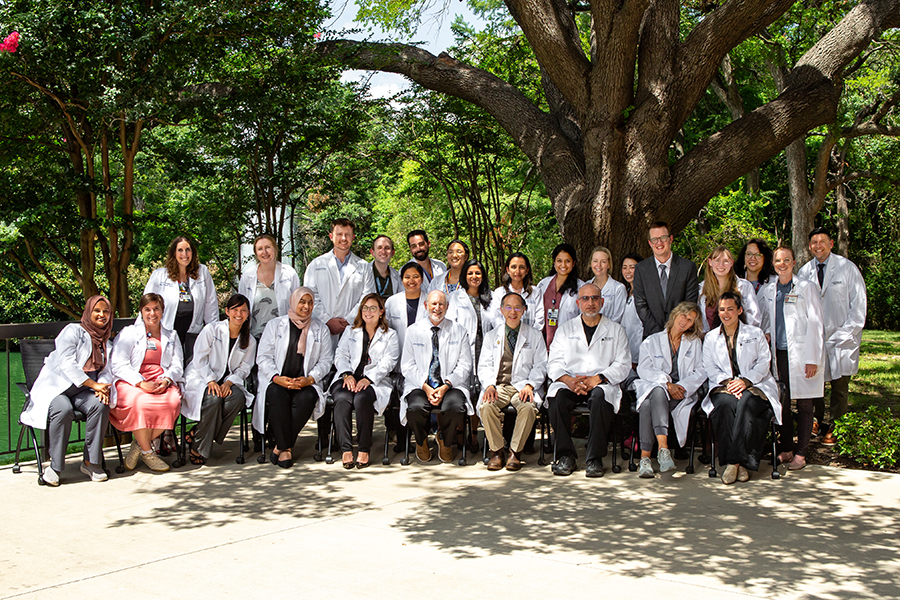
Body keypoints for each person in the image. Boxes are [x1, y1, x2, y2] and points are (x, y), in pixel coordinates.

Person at [20, 296, 114, 485]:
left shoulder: (106, 342)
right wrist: (94, 385)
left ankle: (91, 462)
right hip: (58, 388)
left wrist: (102, 387)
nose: (101, 315)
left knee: (101, 405)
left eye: (106, 311)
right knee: (63, 410)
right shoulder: (72, 331)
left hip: (83, 391)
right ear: (88, 312)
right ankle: (55, 467)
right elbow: (67, 364)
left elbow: (108, 370)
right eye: (97, 310)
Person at [547, 283, 631, 477]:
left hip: (601, 381)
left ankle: (594, 458)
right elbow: (554, 362)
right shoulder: (565, 329)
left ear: (602, 302)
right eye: (585, 298)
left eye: (595, 298)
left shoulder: (616, 330)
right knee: (557, 398)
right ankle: (566, 456)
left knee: (600, 398)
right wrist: (568, 380)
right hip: (571, 380)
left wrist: (599, 378)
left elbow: (623, 364)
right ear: (578, 303)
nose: (590, 303)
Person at [701, 293, 780, 485]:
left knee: (746, 402)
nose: (725, 313)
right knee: (725, 405)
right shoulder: (711, 338)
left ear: (739, 310)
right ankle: (741, 465)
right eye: (722, 309)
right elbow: (709, 367)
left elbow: (764, 362)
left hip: (755, 384)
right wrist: (728, 382)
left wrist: (745, 381)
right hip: (724, 386)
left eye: (730, 309)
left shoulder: (755, 333)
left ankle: (732, 462)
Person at [797, 227, 867, 445]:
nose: (818, 246)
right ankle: (817, 421)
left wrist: (845, 333)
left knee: (839, 386)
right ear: (809, 246)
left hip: (842, 337)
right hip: (815, 339)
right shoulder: (804, 271)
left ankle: (836, 425)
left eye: (822, 241)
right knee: (814, 383)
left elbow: (859, 305)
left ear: (831, 244)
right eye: (814, 243)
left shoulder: (847, 268)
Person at [758, 247, 825, 470]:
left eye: (787, 260)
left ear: (794, 262)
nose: (783, 264)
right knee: (782, 403)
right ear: (773, 263)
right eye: (778, 260)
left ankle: (801, 453)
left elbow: (816, 323)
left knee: (805, 404)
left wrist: (812, 359)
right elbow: (763, 319)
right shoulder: (768, 290)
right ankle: (786, 449)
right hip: (778, 355)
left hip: (803, 355)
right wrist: (767, 333)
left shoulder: (806, 288)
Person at [254, 288, 333, 468]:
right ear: (293, 302)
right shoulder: (275, 325)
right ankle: (286, 448)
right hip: (278, 380)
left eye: (310, 302)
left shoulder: (321, 329)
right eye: (302, 302)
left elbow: (326, 360)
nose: (306, 306)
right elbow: (263, 357)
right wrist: (276, 377)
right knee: (276, 394)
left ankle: (280, 446)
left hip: (304, 382)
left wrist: (311, 379)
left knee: (308, 397)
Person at [109, 293, 184, 473]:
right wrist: (141, 383)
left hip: (160, 382)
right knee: (140, 403)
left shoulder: (171, 335)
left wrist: (166, 380)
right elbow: (118, 364)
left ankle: (139, 446)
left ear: (163, 311)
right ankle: (148, 452)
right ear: (141, 311)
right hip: (132, 382)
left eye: (156, 309)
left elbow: (178, 364)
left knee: (173, 403)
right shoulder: (129, 333)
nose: (152, 313)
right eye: (147, 309)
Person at [633, 302, 706, 478]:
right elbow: (643, 369)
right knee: (656, 394)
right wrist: (666, 384)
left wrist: (681, 387)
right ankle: (663, 449)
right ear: (675, 315)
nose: (685, 321)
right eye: (683, 316)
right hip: (659, 390)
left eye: (690, 320)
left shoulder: (694, 342)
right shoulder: (652, 341)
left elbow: (701, 370)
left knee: (647, 405)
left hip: (681, 394)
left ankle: (645, 459)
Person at [182, 294, 257, 465]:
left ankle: (197, 434)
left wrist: (229, 382)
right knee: (214, 398)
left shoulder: (249, 340)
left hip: (228, 381)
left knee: (238, 398)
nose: (239, 314)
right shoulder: (212, 330)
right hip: (202, 377)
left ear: (248, 314)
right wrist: (211, 381)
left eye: (243, 310)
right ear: (227, 312)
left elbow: (245, 368)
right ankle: (198, 448)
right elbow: (199, 358)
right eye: (235, 310)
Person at [477, 292, 547, 471]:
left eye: (517, 307)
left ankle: (515, 452)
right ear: (501, 310)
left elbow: (541, 365)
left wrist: (530, 385)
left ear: (524, 310)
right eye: (508, 307)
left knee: (528, 407)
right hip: (498, 386)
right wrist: (489, 385)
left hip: (522, 385)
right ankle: (497, 451)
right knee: (486, 406)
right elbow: (483, 365)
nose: (513, 312)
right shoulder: (492, 336)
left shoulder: (534, 335)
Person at [400, 290, 473, 463]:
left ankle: (445, 440)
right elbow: (407, 365)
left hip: (450, 384)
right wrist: (424, 386)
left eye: (441, 304)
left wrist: (446, 385)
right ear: (426, 306)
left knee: (456, 407)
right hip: (420, 384)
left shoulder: (458, 330)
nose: (437, 308)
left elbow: (465, 364)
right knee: (415, 407)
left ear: (447, 307)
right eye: (433, 304)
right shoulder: (413, 331)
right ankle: (421, 440)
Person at [330, 294, 400, 469]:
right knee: (341, 398)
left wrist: (369, 379)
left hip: (374, 381)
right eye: (365, 308)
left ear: (381, 312)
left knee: (362, 399)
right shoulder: (350, 331)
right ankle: (346, 449)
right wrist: (347, 374)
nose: (368, 312)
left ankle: (363, 448)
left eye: (373, 308)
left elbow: (389, 361)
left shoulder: (390, 335)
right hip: (349, 377)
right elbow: (341, 354)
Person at [143, 235, 218, 364]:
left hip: (193, 332)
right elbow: (146, 305)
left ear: (193, 252)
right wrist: (145, 332)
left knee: (192, 368)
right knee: (170, 365)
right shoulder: (160, 275)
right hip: (168, 330)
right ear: (174, 253)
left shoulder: (202, 272)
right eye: (180, 250)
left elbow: (210, 304)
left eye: (188, 250)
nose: (185, 254)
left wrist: (214, 332)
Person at [303, 218, 375, 342]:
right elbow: (310, 296)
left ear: (353, 237)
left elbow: (367, 298)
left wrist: (348, 320)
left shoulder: (364, 267)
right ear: (331, 236)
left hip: (353, 328)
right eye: (339, 234)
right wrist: (328, 320)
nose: (343, 238)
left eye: (347, 235)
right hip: (321, 328)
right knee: (321, 360)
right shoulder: (316, 265)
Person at [633, 221, 699, 338]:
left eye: (663, 238)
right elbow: (640, 305)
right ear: (650, 243)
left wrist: (674, 332)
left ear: (671, 239)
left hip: (681, 336)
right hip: (652, 337)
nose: (659, 243)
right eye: (655, 239)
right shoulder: (641, 269)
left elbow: (690, 303)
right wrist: (660, 335)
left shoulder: (687, 267)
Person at [237, 233, 301, 341]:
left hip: (283, 337)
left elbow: (298, 306)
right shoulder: (247, 277)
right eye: (260, 249)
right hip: (254, 337)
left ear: (275, 249)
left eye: (268, 247)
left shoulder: (289, 274)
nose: (264, 252)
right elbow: (241, 308)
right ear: (256, 253)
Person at [697, 245, 761, 331]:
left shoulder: (744, 286)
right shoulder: (701, 289)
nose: (721, 265)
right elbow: (699, 321)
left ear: (731, 263)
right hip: (711, 341)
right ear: (710, 262)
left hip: (740, 339)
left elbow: (754, 318)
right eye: (717, 261)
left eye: (725, 261)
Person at [535, 243, 583, 347]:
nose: (563, 265)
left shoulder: (581, 287)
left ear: (574, 263)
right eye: (559, 261)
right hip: (542, 341)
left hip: (568, 342)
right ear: (554, 262)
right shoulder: (543, 284)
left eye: (568, 261)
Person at [491, 252, 544, 332]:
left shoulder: (536, 292)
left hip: (530, 340)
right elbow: (496, 318)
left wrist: (530, 336)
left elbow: (539, 319)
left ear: (527, 270)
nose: (517, 271)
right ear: (508, 270)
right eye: (513, 267)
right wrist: (510, 334)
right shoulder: (499, 293)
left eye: (522, 267)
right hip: (505, 338)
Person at [385, 263, 428, 351]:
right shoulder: (391, 301)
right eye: (407, 277)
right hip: (398, 351)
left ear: (422, 279)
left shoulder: (430, 302)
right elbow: (386, 329)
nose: (411, 281)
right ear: (402, 280)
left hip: (423, 351)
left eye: (415, 277)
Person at [588, 246, 627, 324]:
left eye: (603, 261)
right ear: (590, 263)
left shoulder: (618, 288)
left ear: (609, 265)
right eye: (595, 261)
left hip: (609, 333)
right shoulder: (584, 286)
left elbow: (617, 317)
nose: (598, 265)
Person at [620, 253, 644, 369]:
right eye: (625, 267)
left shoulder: (646, 293)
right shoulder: (625, 291)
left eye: (632, 267)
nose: (628, 271)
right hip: (625, 348)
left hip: (640, 351)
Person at [370, 234, 400, 300]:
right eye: (379, 247)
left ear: (392, 253)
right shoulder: (363, 273)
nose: (383, 251)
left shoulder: (397, 276)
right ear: (372, 252)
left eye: (387, 248)